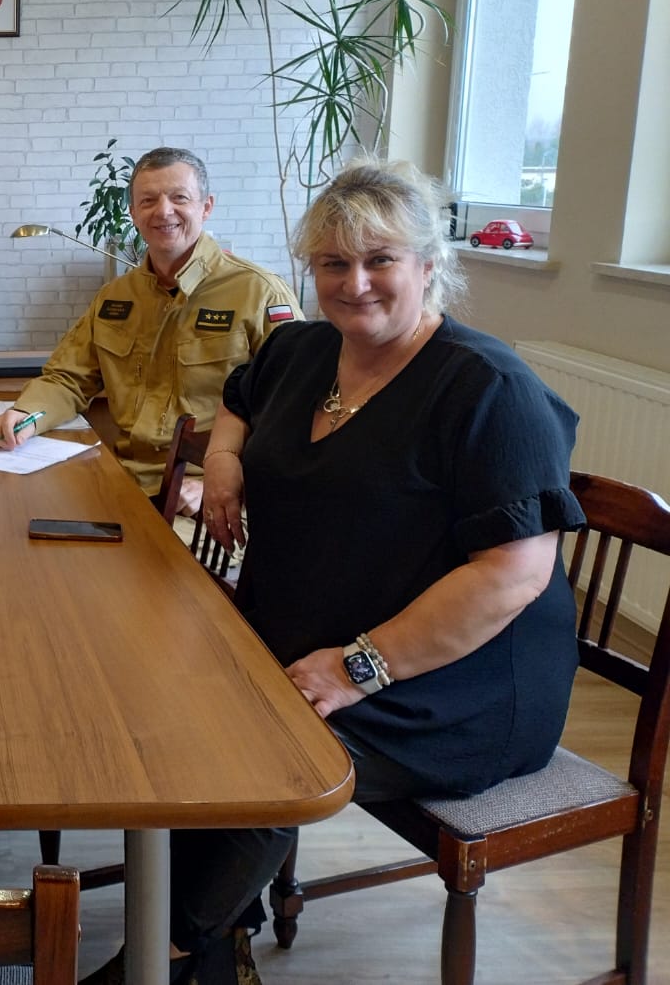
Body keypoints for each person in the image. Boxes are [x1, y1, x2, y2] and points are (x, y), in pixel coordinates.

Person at [91, 160, 585, 985]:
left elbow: (511, 578)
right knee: (183, 702)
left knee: (264, 743)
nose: (354, 284)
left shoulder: (489, 388)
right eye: (332, 262)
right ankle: (212, 942)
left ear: (429, 264)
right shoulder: (302, 349)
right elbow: (240, 396)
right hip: (313, 627)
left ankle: (167, 955)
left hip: (451, 679)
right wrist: (225, 461)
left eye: (380, 259)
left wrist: (359, 666)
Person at [0, 148, 299, 512]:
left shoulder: (259, 293)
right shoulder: (116, 297)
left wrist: (229, 481)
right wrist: (27, 414)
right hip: (123, 481)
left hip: (206, 499)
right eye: (148, 201)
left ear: (206, 207)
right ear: (133, 213)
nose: (163, 211)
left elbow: (294, 411)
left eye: (179, 198)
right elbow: (68, 378)